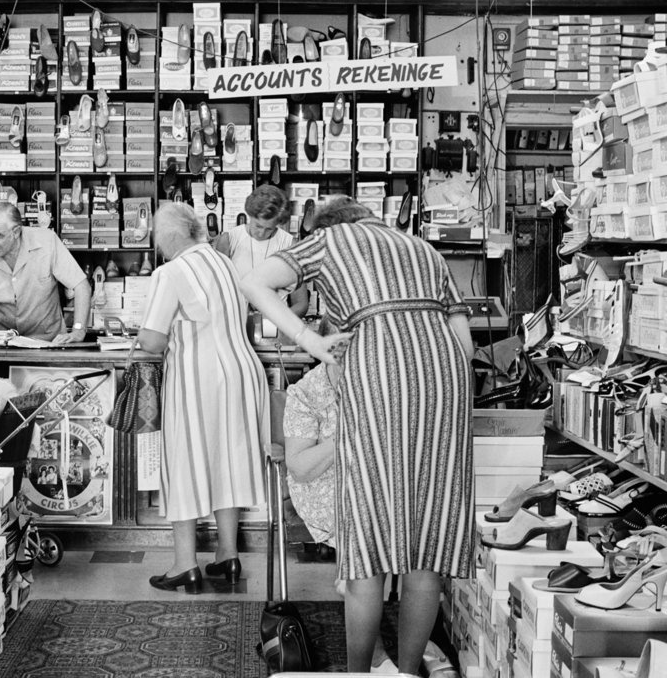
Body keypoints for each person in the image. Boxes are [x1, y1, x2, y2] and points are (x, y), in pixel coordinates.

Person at [241, 196, 475, 675]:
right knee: (426, 544)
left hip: (378, 374)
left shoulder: (328, 240)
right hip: (447, 380)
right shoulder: (422, 247)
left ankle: (359, 673)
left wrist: (309, 340)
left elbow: (253, 280)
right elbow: (464, 343)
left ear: (326, 225)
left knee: (368, 540)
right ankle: (408, 671)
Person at [284, 358, 460, 677]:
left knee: (418, 541)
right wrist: (347, 437)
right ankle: (374, 658)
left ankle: (404, 659)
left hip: (385, 483)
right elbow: (299, 467)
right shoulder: (308, 392)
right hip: (328, 491)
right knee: (371, 544)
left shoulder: (390, 378)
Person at [136, 202, 269, 593]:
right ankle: (227, 556)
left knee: (186, 461)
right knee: (227, 460)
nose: (157, 244)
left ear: (171, 235)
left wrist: (139, 336)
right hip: (242, 372)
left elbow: (153, 339)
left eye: (158, 236)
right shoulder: (225, 262)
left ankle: (184, 564)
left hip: (199, 376)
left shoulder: (171, 271)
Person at [0, 202, 90, 343]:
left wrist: (78, 331)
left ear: (16, 232)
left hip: (49, 343)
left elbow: (81, 286)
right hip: (1, 345)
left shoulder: (47, 241)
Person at [213, 185, 308, 317]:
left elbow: (301, 304)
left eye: (269, 229)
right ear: (250, 215)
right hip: (237, 321)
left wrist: (277, 320)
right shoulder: (229, 240)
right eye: (258, 225)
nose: (261, 233)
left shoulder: (289, 245)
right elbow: (217, 293)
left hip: (276, 326)